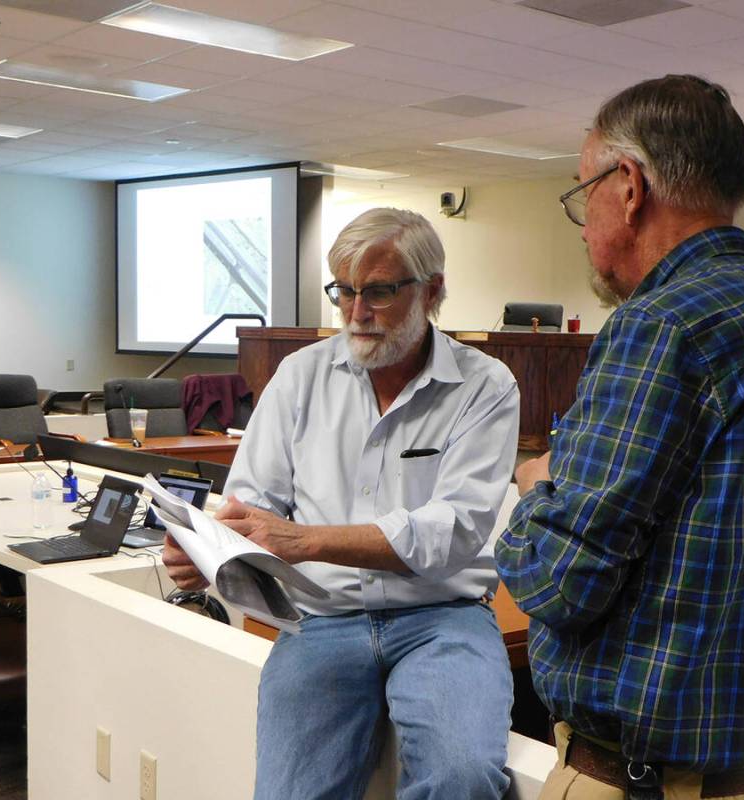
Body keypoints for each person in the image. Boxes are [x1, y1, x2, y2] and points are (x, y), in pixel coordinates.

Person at [496, 75, 744, 800]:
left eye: (582, 194)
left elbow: (558, 582)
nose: (583, 223)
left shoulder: (660, 326)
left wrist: (535, 486)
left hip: (646, 783)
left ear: (628, 186)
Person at [163, 208, 519, 800]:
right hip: (321, 619)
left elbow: (452, 531)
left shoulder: (485, 386)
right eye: (344, 291)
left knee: (462, 777)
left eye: (378, 292)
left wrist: (306, 540)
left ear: (431, 291)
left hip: (443, 620)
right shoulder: (299, 376)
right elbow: (252, 504)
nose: (356, 312)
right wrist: (206, 549)